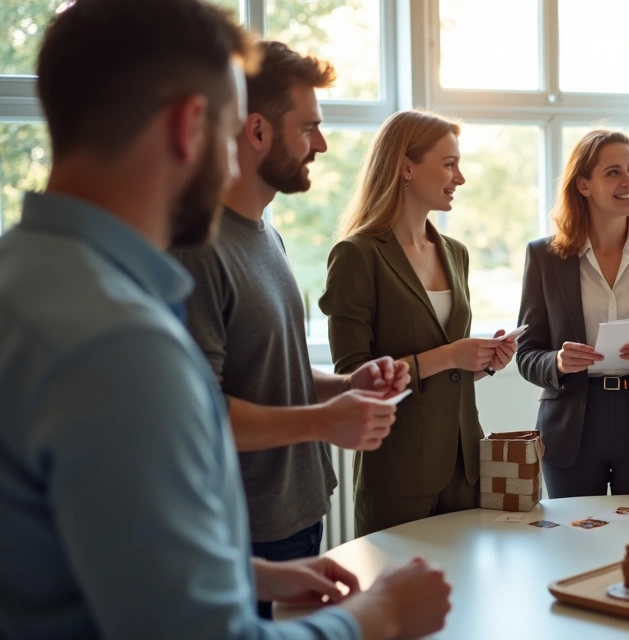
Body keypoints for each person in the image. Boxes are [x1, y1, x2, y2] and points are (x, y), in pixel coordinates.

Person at [0, 1, 449, 638]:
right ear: (190, 126)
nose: (234, 159)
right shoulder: (121, 343)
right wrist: (378, 616)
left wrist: (245, 572)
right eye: (227, 128)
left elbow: (79, 550)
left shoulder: (23, 274)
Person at [170, 40, 409, 619]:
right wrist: (326, 421)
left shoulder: (266, 235)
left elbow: (272, 373)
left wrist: (346, 386)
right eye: (308, 128)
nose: (320, 145)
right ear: (257, 130)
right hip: (242, 530)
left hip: (296, 512)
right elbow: (200, 413)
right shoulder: (196, 250)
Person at [321, 109, 516, 536]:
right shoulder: (357, 255)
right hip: (397, 471)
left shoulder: (456, 253)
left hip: (465, 467)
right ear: (406, 167)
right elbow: (353, 376)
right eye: (449, 164)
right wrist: (450, 355)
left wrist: (484, 363)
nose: (460, 177)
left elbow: (449, 374)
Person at [515, 129, 629, 497]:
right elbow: (527, 354)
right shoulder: (544, 257)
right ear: (583, 185)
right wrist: (558, 362)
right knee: (574, 532)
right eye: (613, 172)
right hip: (571, 425)